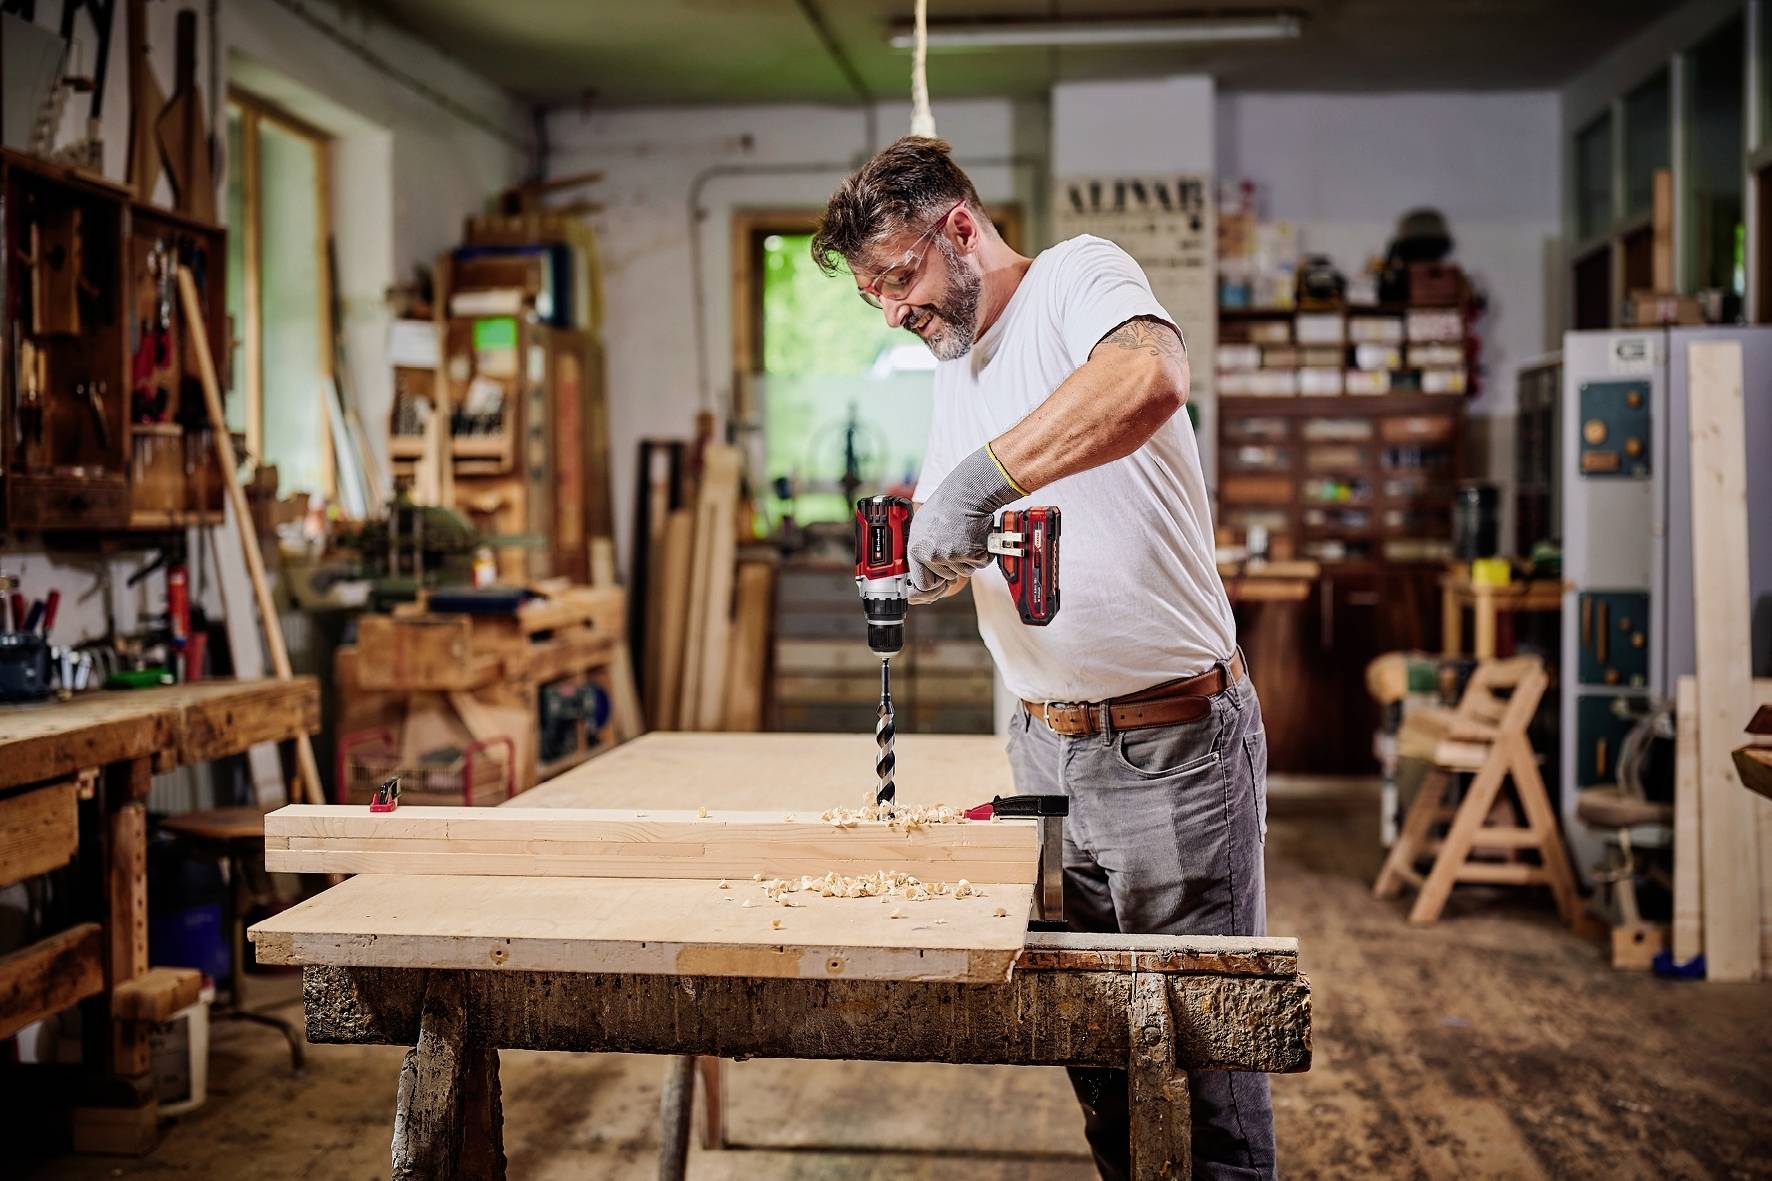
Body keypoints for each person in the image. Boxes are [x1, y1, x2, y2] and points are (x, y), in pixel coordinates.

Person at [812, 136, 1275, 1181]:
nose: (891, 309)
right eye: (871, 293)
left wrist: (978, 481)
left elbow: (1149, 372)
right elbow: (958, 529)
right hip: (1041, 751)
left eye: (898, 276)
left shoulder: (1076, 276)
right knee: (1094, 1043)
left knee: (1202, 1045)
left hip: (1171, 743)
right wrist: (914, 566)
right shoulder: (951, 368)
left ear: (961, 228)